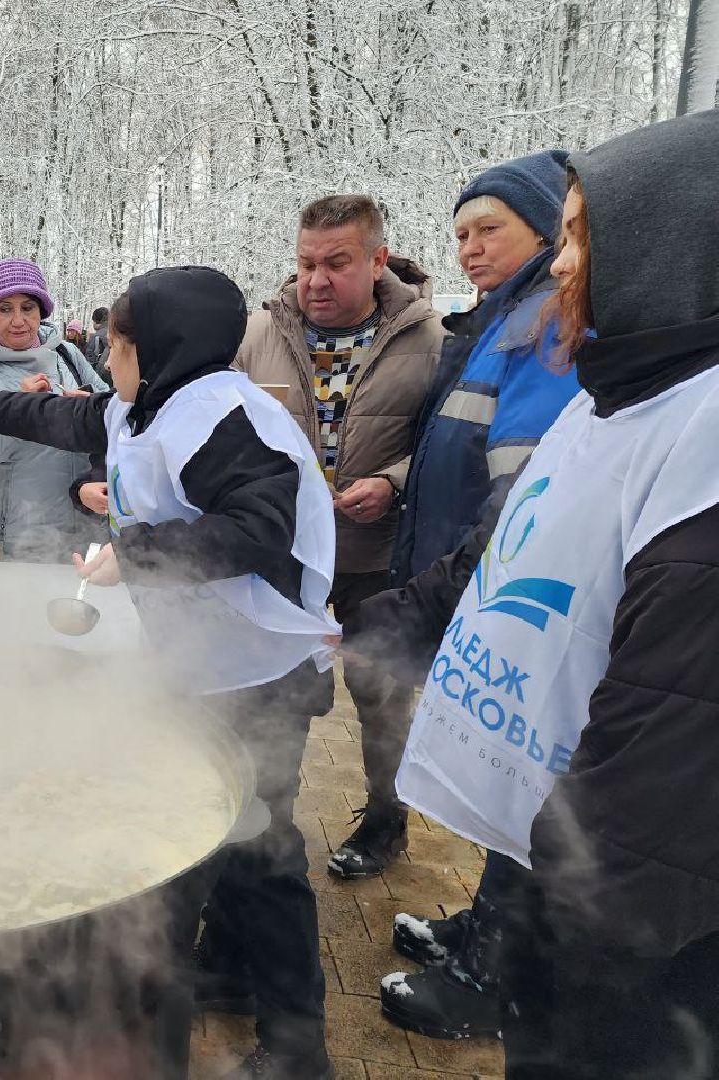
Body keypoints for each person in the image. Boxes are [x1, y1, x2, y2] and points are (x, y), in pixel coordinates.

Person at [349, 108, 719, 1079]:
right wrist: (399, 616)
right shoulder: (623, 392)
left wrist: (569, 925)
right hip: (572, 891)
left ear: (677, 249)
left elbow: (677, 732)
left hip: (634, 941)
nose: (562, 264)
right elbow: (519, 533)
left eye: (585, 238)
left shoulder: (706, 435)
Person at [0, 266, 341, 1080]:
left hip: (257, 666)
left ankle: (299, 1045)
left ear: (157, 348)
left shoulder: (225, 419)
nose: (108, 356)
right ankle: (230, 973)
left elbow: (259, 528)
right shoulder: (156, 399)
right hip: (199, 658)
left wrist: (133, 556)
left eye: (118, 343)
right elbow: (78, 415)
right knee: (220, 834)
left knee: (263, 851)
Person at [345, 151, 583, 1041]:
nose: (471, 248)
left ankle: (494, 982)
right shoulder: (497, 322)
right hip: (464, 576)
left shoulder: (544, 328)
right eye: (459, 234)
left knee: (520, 775)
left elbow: (521, 494)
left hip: (505, 593)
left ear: (543, 230)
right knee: (499, 761)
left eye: (490, 229)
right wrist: (404, 484)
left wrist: (432, 596)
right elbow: (458, 447)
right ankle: (481, 928)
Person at [235, 194, 444, 881]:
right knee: (277, 689)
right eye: (305, 264)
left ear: (378, 260)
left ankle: (386, 819)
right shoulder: (258, 332)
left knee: (382, 693)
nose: (316, 281)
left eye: (337, 263)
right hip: (285, 558)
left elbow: (445, 447)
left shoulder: (430, 339)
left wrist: (393, 481)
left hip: (374, 555)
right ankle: (269, 818)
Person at [0, 259, 108, 561]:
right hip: (12, 546)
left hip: (80, 539)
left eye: (28, 308)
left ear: (41, 312)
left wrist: (91, 408)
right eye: (5, 309)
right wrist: (15, 411)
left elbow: (111, 417)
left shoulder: (66, 356)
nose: (18, 320)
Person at [86, 306, 110, 370]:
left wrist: (88, 341)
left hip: (100, 375)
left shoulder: (95, 337)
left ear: (95, 321)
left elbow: (89, 361)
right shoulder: (117, 334)